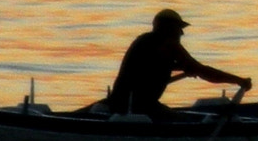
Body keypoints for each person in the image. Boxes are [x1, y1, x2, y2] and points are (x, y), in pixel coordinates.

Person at [106, 9, 250, 118]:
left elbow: (151, 71)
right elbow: (204, 72)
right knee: (185, 120)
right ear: (168, 28)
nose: (182, 33)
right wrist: (238, 80)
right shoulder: (168, 44)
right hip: (138, 109)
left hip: (118, 104)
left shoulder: (144, 41)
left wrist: (183, 68)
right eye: (179, 28)